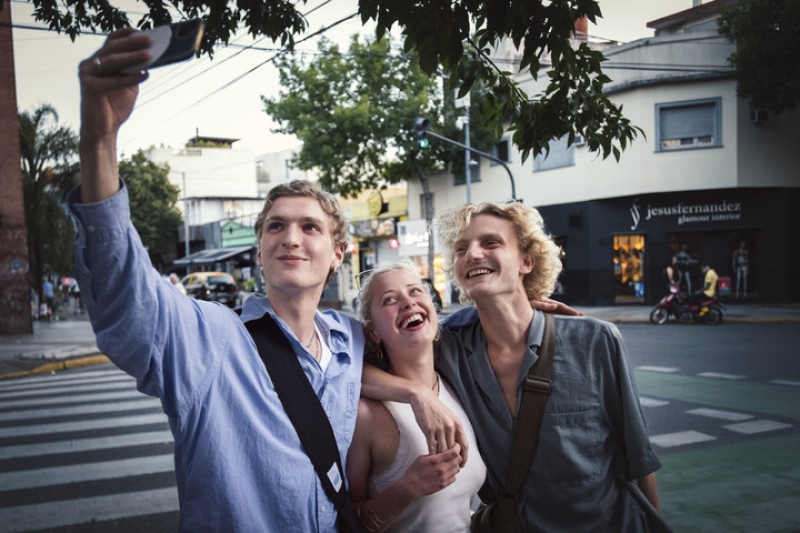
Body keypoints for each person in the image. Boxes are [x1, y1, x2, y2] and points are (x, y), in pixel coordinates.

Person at [69, 28, 394, 531]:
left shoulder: (350, 340)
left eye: (310, 227)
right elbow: (126, 295)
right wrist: (99, 140)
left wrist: (531, 308)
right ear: (260, 251)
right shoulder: (213, 339)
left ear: (337, 254)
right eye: (275, 226)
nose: (291, 237)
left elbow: (440, 339)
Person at [364, 201, 664, 531]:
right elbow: (342, 369)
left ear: (527, 260)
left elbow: (640, 462)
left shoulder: (596, 340)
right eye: (462, 248)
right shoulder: (450, 347)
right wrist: (416, 393)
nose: (472, 254)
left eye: (490, 243)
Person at [346, 263, 486, 532]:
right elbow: (347, 522)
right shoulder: (367, 415)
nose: (409, 303)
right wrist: (407, 489)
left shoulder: (457, 382)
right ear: (372, 331)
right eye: (390, 299)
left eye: (415, 291)